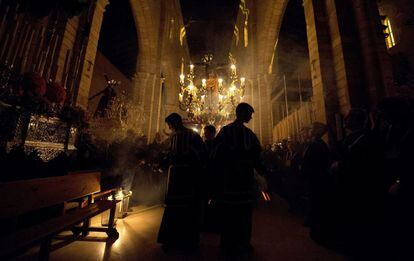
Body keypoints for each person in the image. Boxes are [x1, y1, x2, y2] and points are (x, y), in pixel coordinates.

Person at [213, 103, 265, 254]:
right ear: (242, 114)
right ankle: (243, 242)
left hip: (230, 179)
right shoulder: (249, 134)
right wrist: (261, 170)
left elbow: (215, 155)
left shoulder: (225, 131)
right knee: (243, 212)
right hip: (243, 178)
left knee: (230, 211)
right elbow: (257, 155)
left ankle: (228, 243)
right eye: (249, 114)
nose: (250, 117)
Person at [157, 113, 205, 250]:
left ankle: (174, 240)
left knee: (177, 207)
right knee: (183, 207)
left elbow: (200, 154)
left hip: (183, 176)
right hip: (182, 176)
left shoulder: (184, 136)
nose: (170, 128)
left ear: (175, 123)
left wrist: (164, 164)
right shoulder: (187, 136)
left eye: (170, 125)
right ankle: (187, 240)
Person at [301, 122, 332, 244]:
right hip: (315, 179)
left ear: (318, 131)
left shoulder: (316, 145)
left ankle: (318, 233)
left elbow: (313, 163)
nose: (309, 130)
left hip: (316, 180)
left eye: (312, 128)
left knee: (317, 206)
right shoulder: (317, 144)